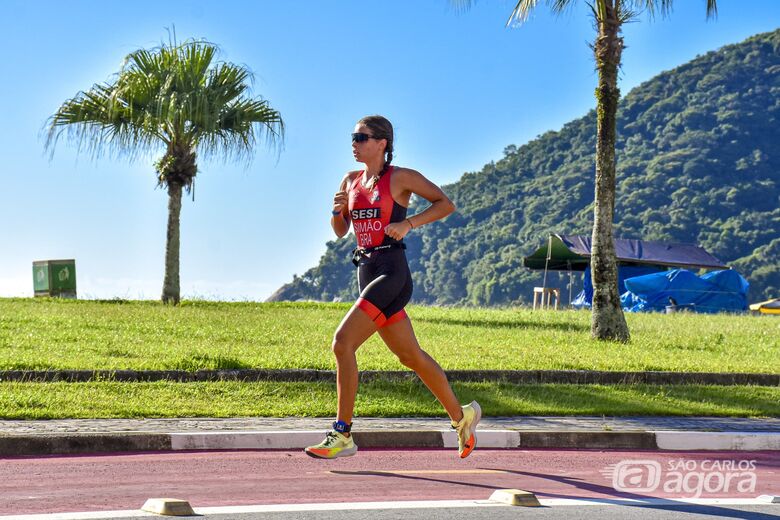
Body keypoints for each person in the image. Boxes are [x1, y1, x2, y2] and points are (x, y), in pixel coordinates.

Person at [304, 115, 481, 460]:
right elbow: (341, 231)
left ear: (382, 142)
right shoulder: (350, 180)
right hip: (366, 270)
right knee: (409, 356)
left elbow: (445, 203)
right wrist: (338, 211)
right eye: (352, 137)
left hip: (391, 272)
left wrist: (409, 223)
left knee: (342, 343)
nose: (354, 143)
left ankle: (342, 433)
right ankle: (463, 417)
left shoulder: (401, 178)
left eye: (361, 137)